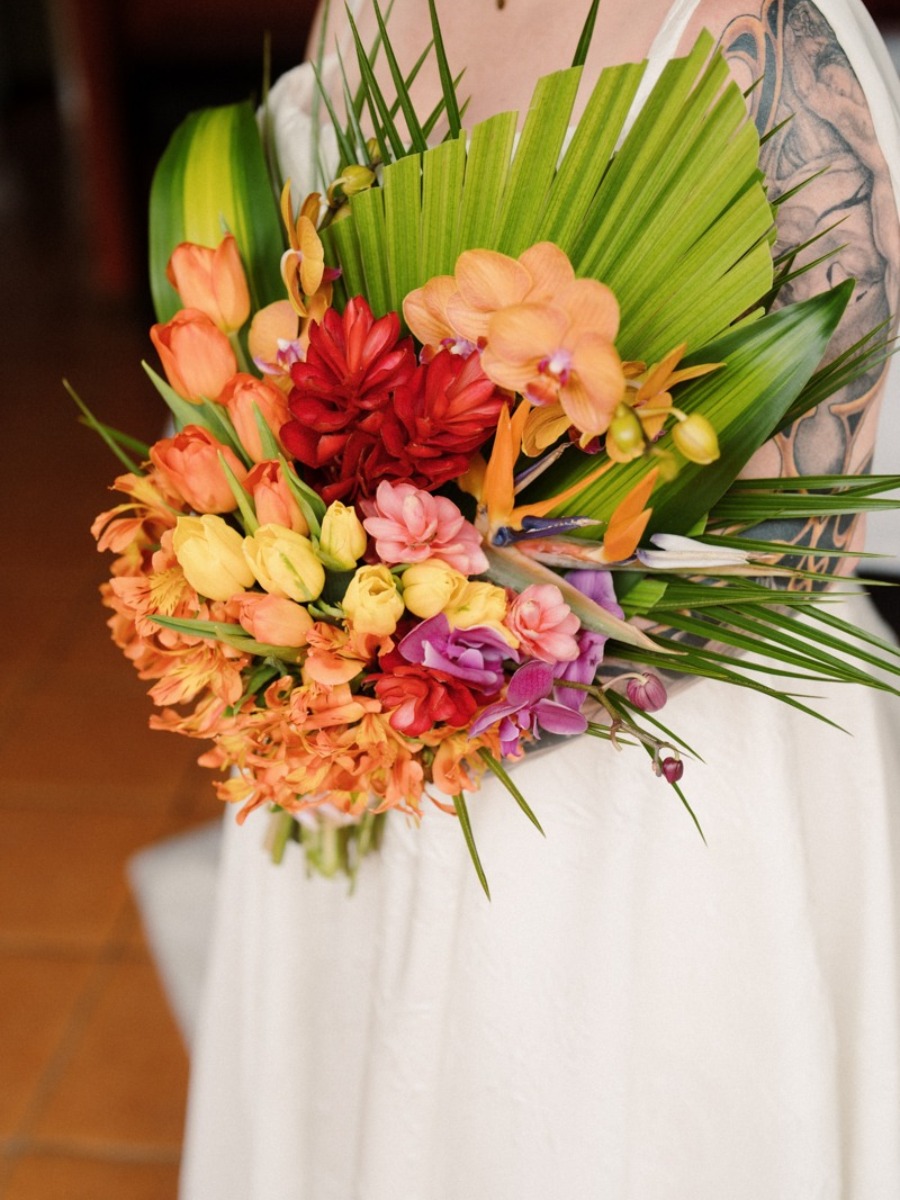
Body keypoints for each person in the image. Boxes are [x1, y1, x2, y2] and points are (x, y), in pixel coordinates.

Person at [178, 3, 900, 1197]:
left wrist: (445, 642)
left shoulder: (764, 36)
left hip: (662, 805)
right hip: (369, 752)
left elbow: (798, 542)